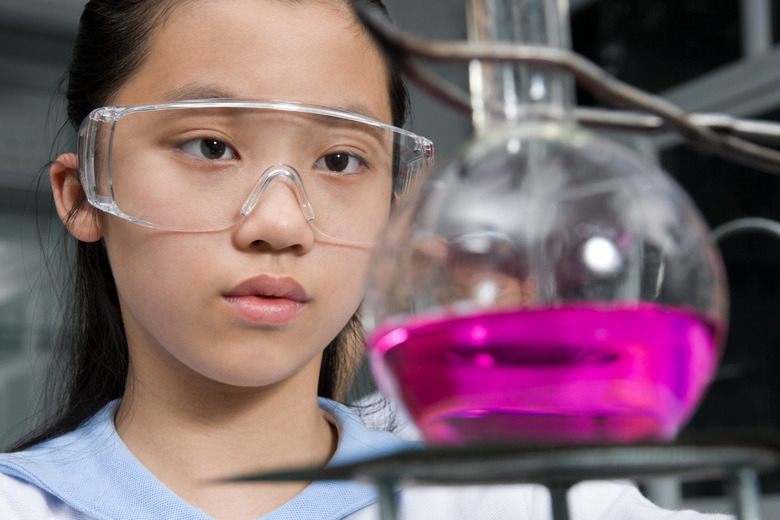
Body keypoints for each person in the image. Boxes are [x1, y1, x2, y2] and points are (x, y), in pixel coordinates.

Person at [0, 0, 735, 518]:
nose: (281, 225)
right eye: (211, 147)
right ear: (84, 193)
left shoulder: (510, 498)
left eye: (343, 159)